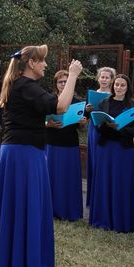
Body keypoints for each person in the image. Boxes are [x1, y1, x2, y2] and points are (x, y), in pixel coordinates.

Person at [0, 46, 82, 267]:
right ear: (31, 64)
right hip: (24, 153)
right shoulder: (26, 86)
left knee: (18, 206)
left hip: (19, 151)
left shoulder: (18, 85)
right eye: (42, 62)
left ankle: (12, 259)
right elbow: (60, 106)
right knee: (26, 205)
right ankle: (22, 261)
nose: (45, 65)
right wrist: (74, 75)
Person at [89, 72, 134, 233]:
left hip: (123, 150)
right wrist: (107, 126)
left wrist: (120, 128)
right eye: (117, 84)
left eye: (122, 85)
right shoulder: (105, 102)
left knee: (121, 184)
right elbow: (98, 125)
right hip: (105, 148)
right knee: (104, 183)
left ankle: (121, 221)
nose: (119, 88)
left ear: (127, 88)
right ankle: (102, 219)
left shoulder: (133, 105)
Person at [45, 69, 84, 221]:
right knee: (52, 178)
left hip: (70, 145)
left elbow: (81, 126)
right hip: (52, 144)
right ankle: (51, 210)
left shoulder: (76, 102)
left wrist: (81, 122)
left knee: (69, 179)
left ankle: (69, 211)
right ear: (56, 84)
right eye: (60, 82)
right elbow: (41, 120)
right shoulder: (49, 99)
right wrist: (48, 124)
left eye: (66, 81)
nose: (63, 84)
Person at [84, 66, 115, 208]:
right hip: (93, 129)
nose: (104, 79)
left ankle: (102, 198)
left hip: (106, 130)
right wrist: (87, 110)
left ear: (111, 80)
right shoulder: (92, 94)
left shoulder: (113, 96)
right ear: (98, 78)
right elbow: (85, 115)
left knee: (102, 162)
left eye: (107, 77)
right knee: (93, 161)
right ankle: (92, 199)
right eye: (102, 77)